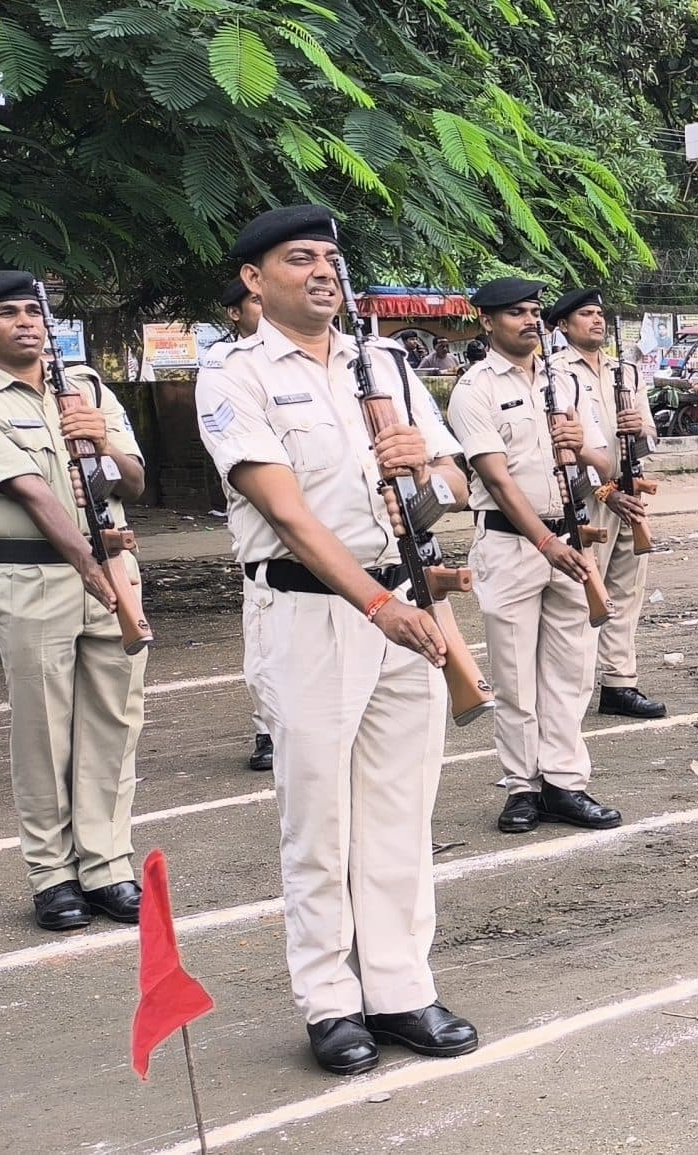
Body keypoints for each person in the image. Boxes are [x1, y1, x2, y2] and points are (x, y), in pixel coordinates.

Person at [196, 203, 481, 1075]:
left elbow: (457, 484)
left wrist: (423, 469)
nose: (324, 271)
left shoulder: (384, 362)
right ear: (254, 280)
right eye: (299, 258)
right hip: (312, 614)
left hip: (400, 602)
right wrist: (372, 604)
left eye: (331, 257)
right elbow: (284, 512)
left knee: (399, 811)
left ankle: (400, 988)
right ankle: (330, 1000)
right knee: (319, 820)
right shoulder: (234, 375)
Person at [0, 271, 148, 930]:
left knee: (115, 722)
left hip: (113, 565)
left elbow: (135, 480)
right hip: (35, 580)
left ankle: (107, 862)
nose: (27, 322)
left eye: (33, 311)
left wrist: (102, 440)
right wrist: (93, 571)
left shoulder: (85, 388)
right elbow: (27, 488)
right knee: (43, 729)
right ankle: (52, 874)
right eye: (8, 313)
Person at [448, 279, 625, 835]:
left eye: (533, 312)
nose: (529, 321)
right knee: (515, 673)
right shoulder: (472, 389)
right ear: (487, 323)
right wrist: (544, 544)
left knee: (570, 670)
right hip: (511, 544)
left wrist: (581, 444)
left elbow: (609, 466)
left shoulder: (564, 382)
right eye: (514, 313)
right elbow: (496, 480)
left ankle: (565, 783)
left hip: (571, 535)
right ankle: (522, 786)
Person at [546, 289, 665, 720]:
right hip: (588, 497)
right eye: (586, 314)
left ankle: (619, 682)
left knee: (626, 591)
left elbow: (651, 438)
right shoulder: (554, 374)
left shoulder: (625, 372)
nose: (596, 320)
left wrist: (639, 433)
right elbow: (561, 447)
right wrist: (605, 493)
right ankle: (572, 687)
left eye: (599, 313)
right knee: (585, 593)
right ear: (563, 325)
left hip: (628, 492)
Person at [203, 278, 281, 773]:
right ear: (234, 312)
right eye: (255, 300)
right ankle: (267, 730)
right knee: (267, 638)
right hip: (262, 519)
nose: (265, 306)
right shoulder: (222, 368)